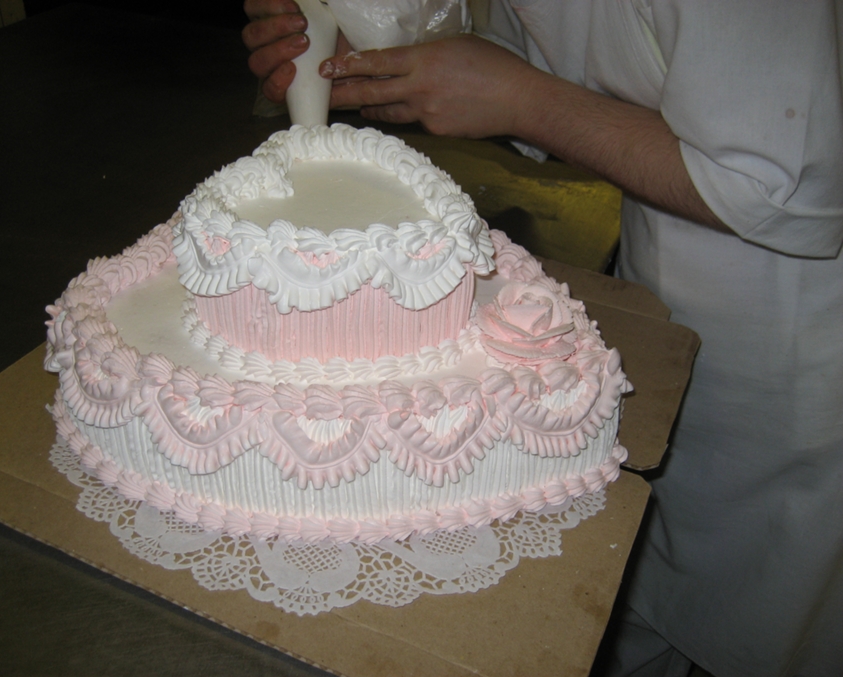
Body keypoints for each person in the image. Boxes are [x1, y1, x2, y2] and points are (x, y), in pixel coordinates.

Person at [242, 2, 843, 675]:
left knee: (761, 616)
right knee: (623, 597)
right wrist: (381, 54)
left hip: (798, 358)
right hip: (661, 300)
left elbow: (785, 188)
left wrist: (522, 99)